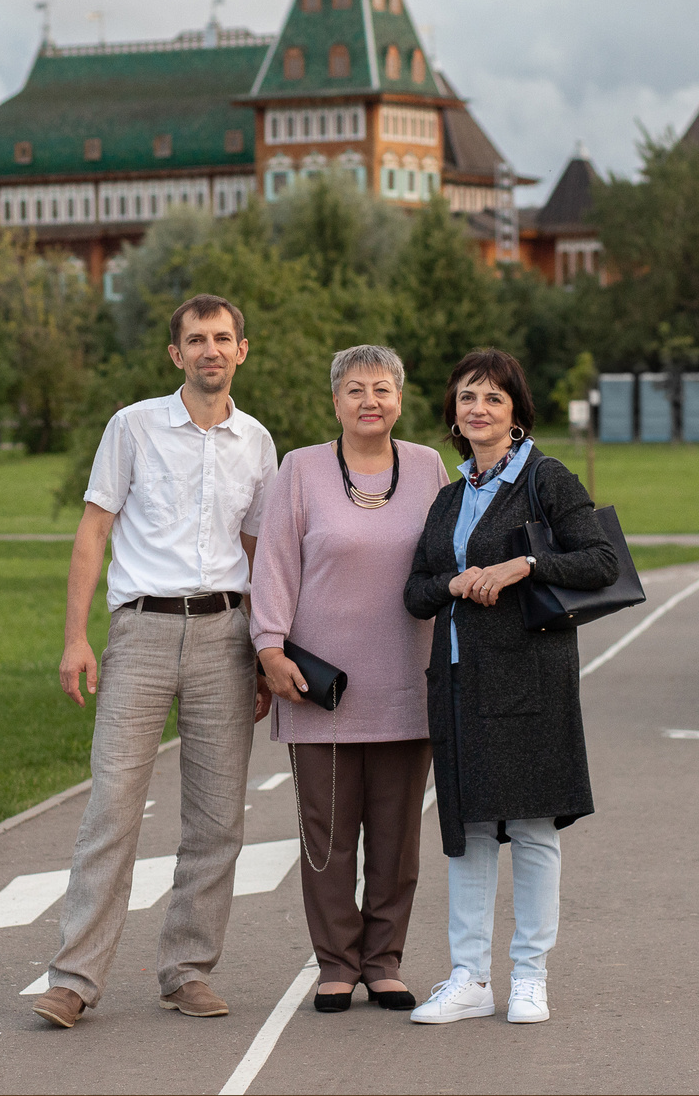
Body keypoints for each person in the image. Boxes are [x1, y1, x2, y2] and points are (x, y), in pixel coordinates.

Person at [32, 295, 277, 1030]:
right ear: (176, 355)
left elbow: (262, 552)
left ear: (242, 351)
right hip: (139, 632)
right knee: (111, 808)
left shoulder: (257, 442)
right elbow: (93, 530)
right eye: (196, 339)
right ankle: (74, 979)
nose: (210, 350)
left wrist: (266, 650)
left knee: (216, 820)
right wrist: (77, 638)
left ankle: (187, 970)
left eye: (222, 338)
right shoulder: (132, 426)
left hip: (227, 637)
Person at [403, 348, 618, 1027]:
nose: (479, 409)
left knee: (529, 827)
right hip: (460, 678)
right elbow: (415, 592)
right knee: (468, 829)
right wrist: (454, 583)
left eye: (493, 398)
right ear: (453, 414)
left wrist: (524, 563)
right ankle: (469, 978)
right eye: (468, 398)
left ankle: (530, 975)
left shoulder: (544, 480)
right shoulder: (446, 498)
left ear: (516, 412)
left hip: (530, 676)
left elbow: (601, 559)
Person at [250, 345, 451, 1013]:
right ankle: (336, 964)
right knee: (328, 835)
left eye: (383, 388)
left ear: (399, 399)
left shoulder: (427, 468)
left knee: (397, 839)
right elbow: (275, 561)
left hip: (408, 681)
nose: (371, 400)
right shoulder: (301, 469)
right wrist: (269, 647)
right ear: (335, 401)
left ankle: (384, 961)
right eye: (356, 389)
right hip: (321, 686)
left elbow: (453, 554)